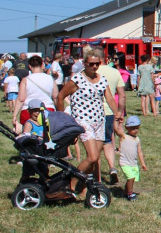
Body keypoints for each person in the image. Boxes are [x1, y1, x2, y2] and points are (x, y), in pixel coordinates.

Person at [56, 47, 120, 190]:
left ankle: (85, 188)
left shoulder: (102, 79)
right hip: (83, 121)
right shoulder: (77, 79)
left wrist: (117, 112)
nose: (94, 66)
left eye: (97, 63)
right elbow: (60, 96)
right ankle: (72, 183)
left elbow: (108, 97)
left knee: (95, 159)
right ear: (84, 63)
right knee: (91, 157)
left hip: (99, 121)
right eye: (91, 64)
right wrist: (62, 118)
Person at [98, 57, 127, 185]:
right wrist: (119, 111)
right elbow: (122, 94)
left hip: (94, 113)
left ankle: (97, 176)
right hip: (110, 111)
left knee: (94, 145)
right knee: (108, 141)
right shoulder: (114, 72)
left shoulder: (88, 71)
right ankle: (112, 168)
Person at [13, 55, 58, 133]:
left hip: (28, 111)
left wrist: (14, 115)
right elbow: (55, 97)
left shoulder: (25, 80)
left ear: (30, 66)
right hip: (47, 110)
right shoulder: (50, 79)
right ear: (42, 65)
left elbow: (21, 99)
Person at [118, 115, 148, 201]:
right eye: (133, 128)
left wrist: (143, 164)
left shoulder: (137, 139)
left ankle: (125, 192)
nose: (135, 131)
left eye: (137, 128)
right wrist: (119, 123)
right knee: (131, 178)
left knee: (131, 179)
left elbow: (139, 152)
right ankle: (130, 194)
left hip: (133, 163)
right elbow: (117, 130)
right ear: (127, 128)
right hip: (124, 162)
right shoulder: (124, 136)